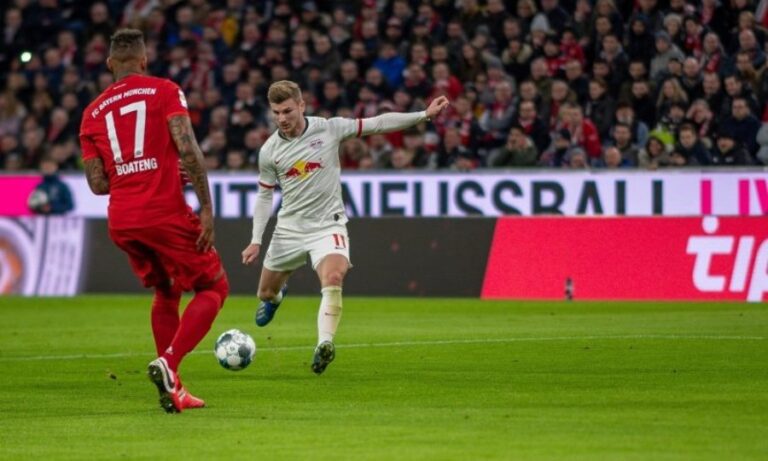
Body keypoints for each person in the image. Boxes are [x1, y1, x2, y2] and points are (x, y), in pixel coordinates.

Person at [241, 80, 449, 374]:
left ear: (301, 105)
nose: (282, 118)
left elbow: (377, 123)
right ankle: (276, 297)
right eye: (276, 113)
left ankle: (324, 344)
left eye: (287, 111)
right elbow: (264, 196)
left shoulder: (329, 128)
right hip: (289, 229)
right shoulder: (269, 151)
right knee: (264, 293)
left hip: (328, 224)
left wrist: (423, 115)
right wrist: (256, 240)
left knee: (334, 276)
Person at [78, 29, 228, 413]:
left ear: (110, 64)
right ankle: (169, 363)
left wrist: (133, 172)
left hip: (123, 222)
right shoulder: (164, 90)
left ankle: (174, 388)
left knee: (167, 290)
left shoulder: (92, 113)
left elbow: (97, 184)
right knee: (214, 286)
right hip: (163, 213)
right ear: (144, 61)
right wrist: (206, 208)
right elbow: (187, 148)